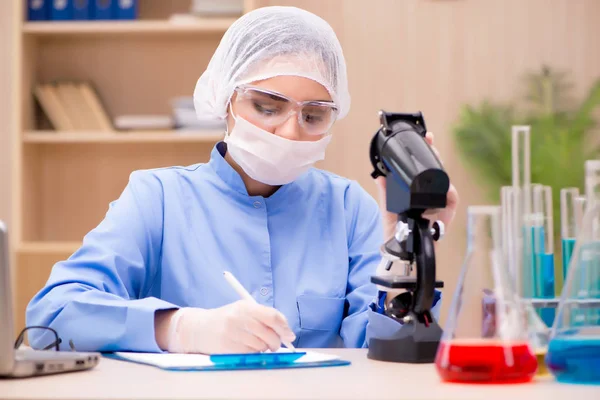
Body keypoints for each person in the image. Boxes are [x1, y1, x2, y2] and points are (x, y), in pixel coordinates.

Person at [26, 6, 459, 354]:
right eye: (267, 107)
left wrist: (406, 252)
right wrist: (181, 329)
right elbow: (51, 317)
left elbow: (389, 350)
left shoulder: (349, 207)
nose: (290, 131)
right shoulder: (157, 198)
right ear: (225, 98)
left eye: (313, 115)